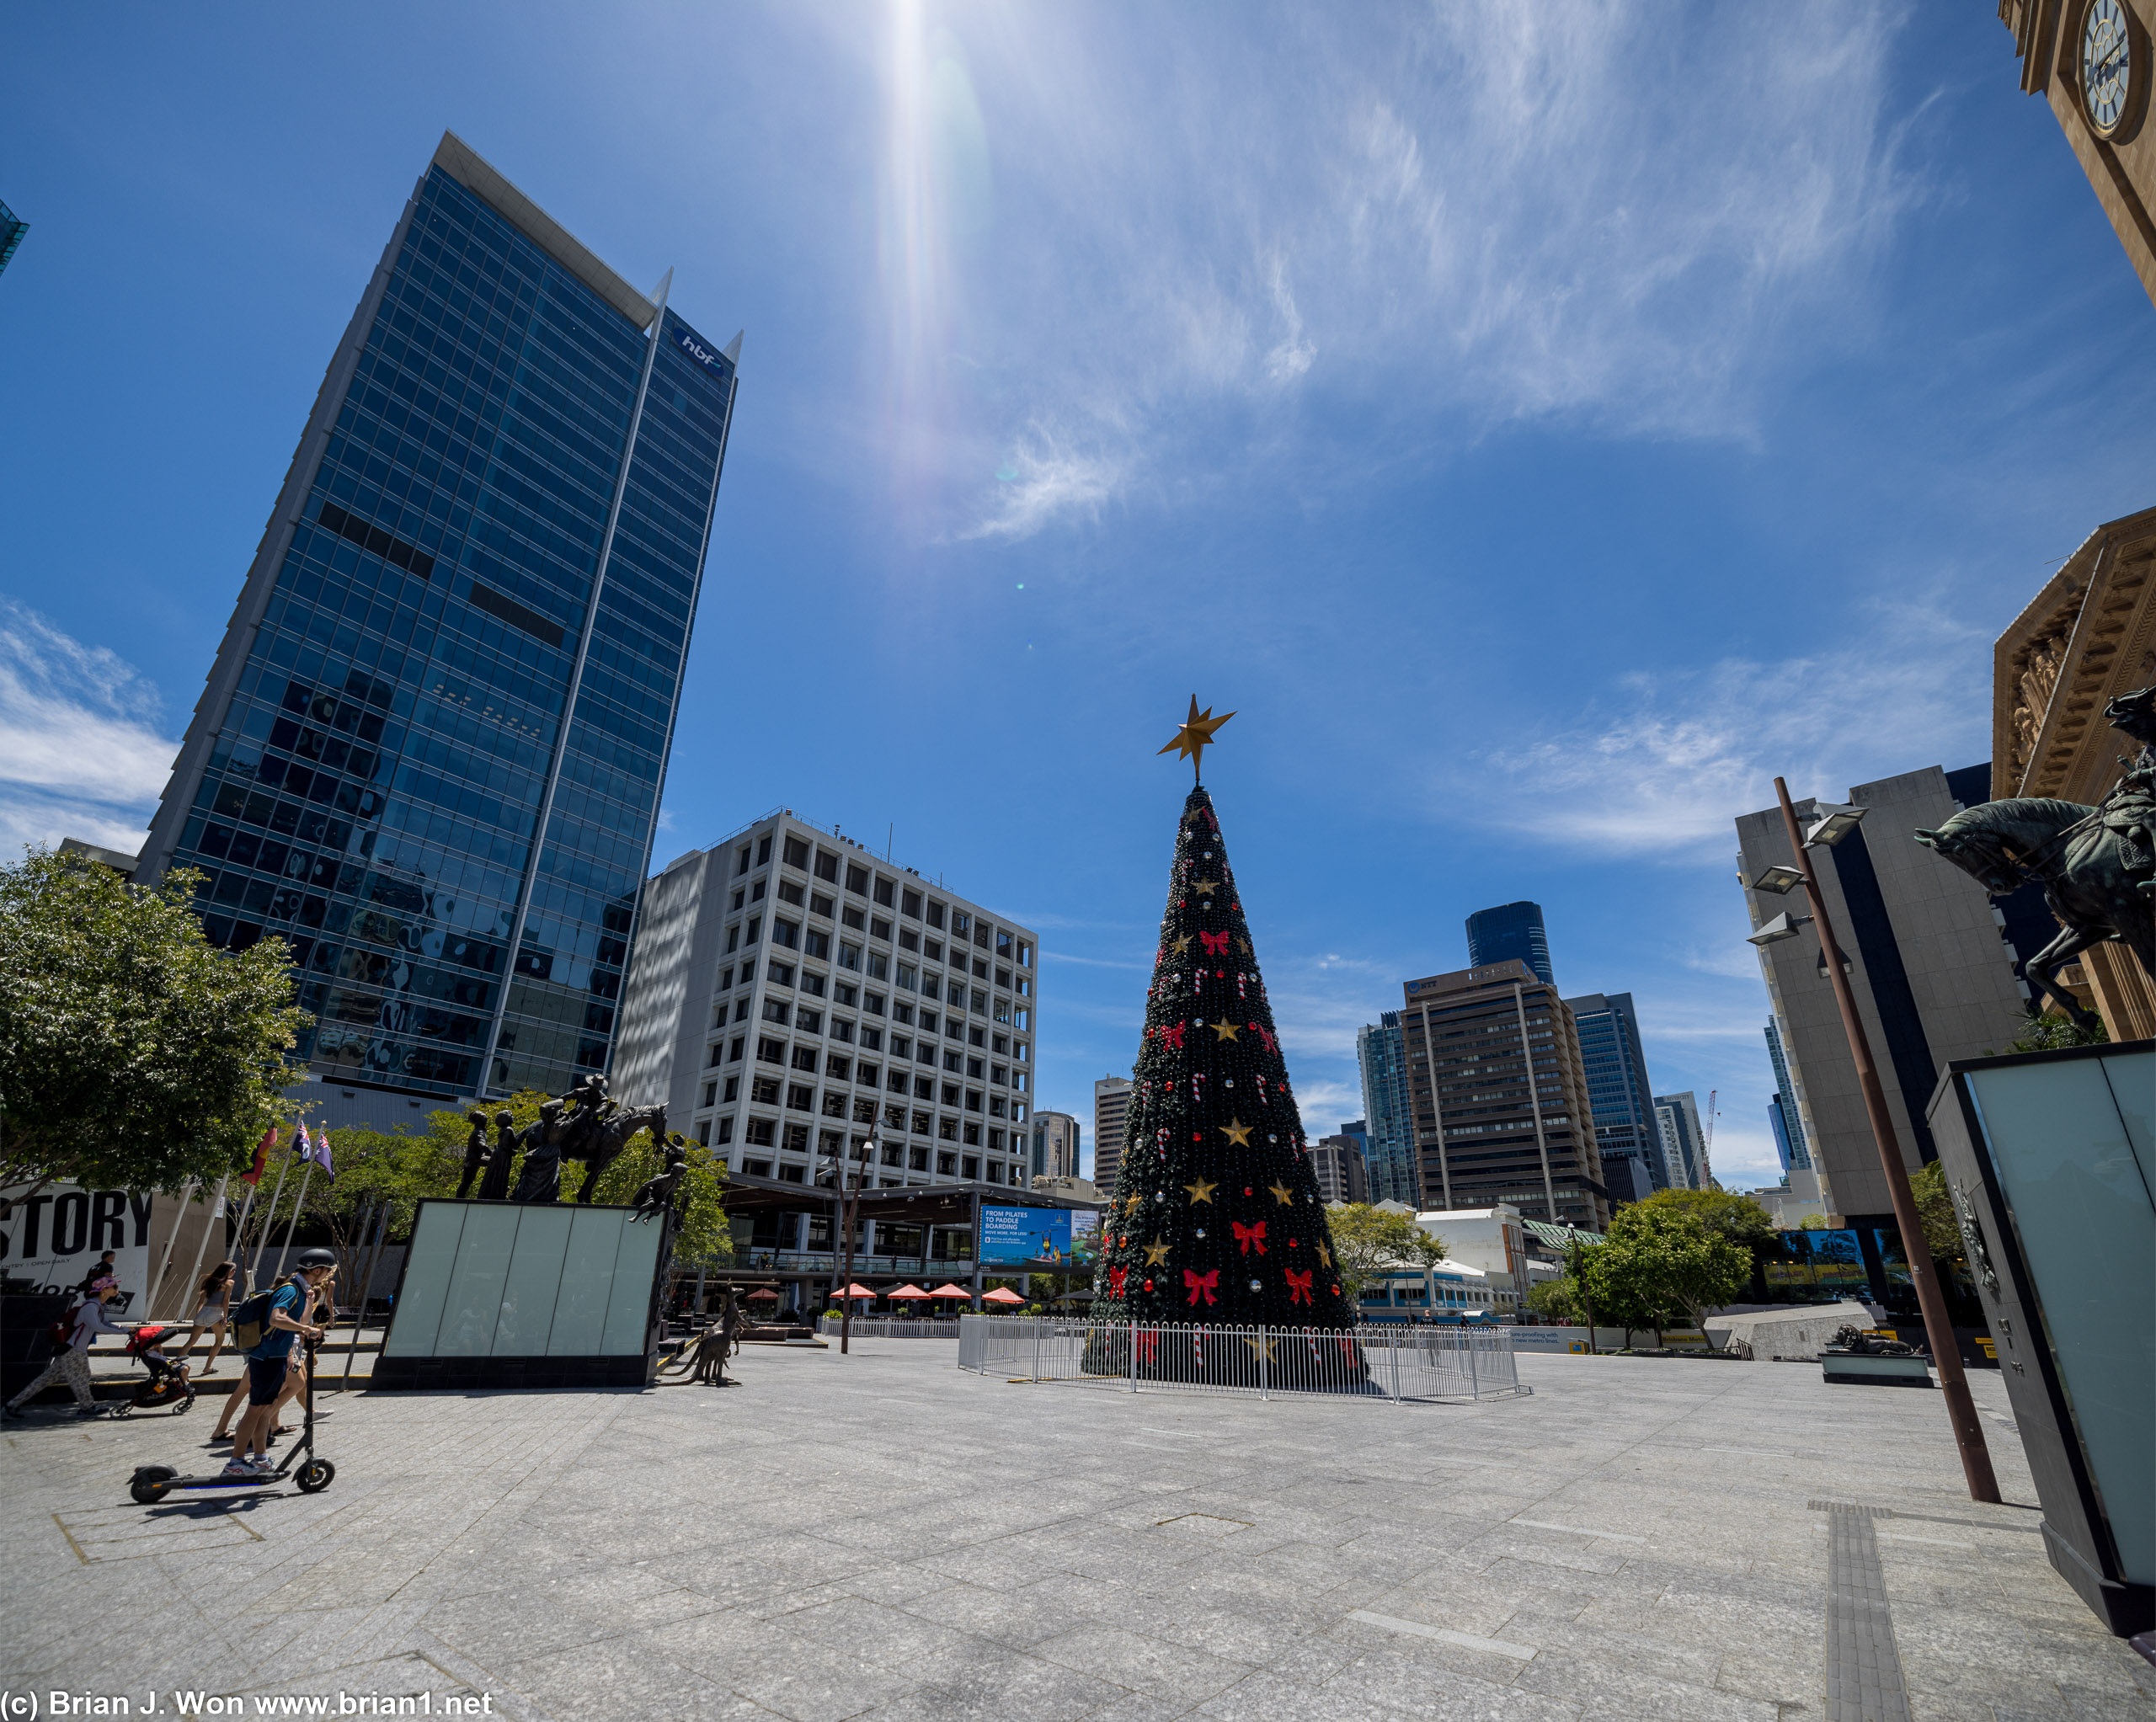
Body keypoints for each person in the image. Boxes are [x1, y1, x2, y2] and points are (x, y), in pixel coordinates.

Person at [227, 1250, 331, 1479]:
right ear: (316, 1270)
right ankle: (235, 1463)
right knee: (255, 1410)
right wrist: (305, 1330)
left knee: (265, 1410)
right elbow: (277, 1318)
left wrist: (309, 1310)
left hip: (277, 1356)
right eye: (327, 1270)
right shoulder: (290, 1289)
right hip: (266, 1358)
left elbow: (300, 1322)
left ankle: (261, 1459)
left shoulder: (302, 1291)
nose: (327, 1275)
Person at [4, 1277, 131, 1418]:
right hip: (74, 1350)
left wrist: (124, 1329)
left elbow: (105, 1323)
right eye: (114, 1287)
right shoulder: (90, 1307)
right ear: (103, 1290)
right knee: (81, 1377)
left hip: (71, 1349)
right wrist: (123, 1331)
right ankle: (87, 1407)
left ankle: (11, 1405)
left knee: (46, 1379)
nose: (117, 1290)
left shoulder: (99, 1306)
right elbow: (97, 1326)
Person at [184, 1261, 237, 1369]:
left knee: (191, 1341)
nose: (234, 1273)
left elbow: (201, 1301)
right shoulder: (230, 1283)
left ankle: (174, 1365)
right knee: (219, 1341)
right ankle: (207, 1368)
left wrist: (198, 1314)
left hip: (204, 1311)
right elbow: (226, 1301)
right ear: (230, 1271)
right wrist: (225, 1317)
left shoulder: (208, 1281)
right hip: (216, 1312)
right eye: (234, 1271)